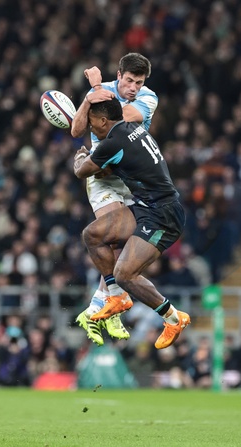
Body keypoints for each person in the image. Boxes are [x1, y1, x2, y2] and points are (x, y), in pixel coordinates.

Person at [73, 98, 190, 349]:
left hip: (163, 216)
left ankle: (173, 318)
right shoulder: (131, 129)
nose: (90, 128)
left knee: (125, 274)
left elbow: (82, 171)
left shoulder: (112, 142)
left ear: (103, 120)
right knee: (92, 235)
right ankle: (116, 296)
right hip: (146, 207)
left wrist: (80, 157)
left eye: (92, 123)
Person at [70, 53, 158, 346]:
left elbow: (122, 120)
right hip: (102, 176)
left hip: (131, 178)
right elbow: (76, 130)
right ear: (119, 75)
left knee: (126, 242)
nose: (133, 88)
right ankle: (113, 304)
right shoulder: (99, 91)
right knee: (113, 237)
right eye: (129, 80)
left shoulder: (148, 98)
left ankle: (97, 307)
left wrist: (96, 91)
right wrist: (88, 100)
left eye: (139, 82)